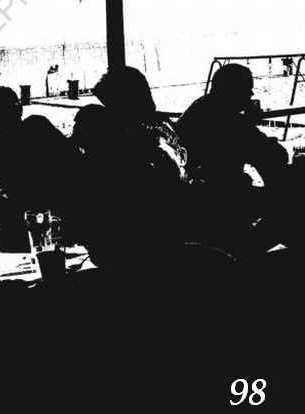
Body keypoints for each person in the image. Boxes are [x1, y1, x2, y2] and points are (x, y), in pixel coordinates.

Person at [70, 66, 188, 268]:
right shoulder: (166, 128)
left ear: (124, 105)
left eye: (109, 107)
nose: (107, 113)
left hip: (142, 254)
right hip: (173, 239)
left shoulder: (134, 143)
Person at [176, 63, 289, 257]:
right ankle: (248, 255)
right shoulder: (232, 120)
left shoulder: (200, 107)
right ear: (234, 91)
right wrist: (250, 123)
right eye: (247, 88)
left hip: (193, 201)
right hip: (223, 201)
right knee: (286, 211)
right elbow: (276, 156)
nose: (251, 94)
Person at [0, 86, 82, 252]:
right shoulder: (39, 126)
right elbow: (75, 161)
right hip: (67, 217)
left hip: (19, 228)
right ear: (19, 109)